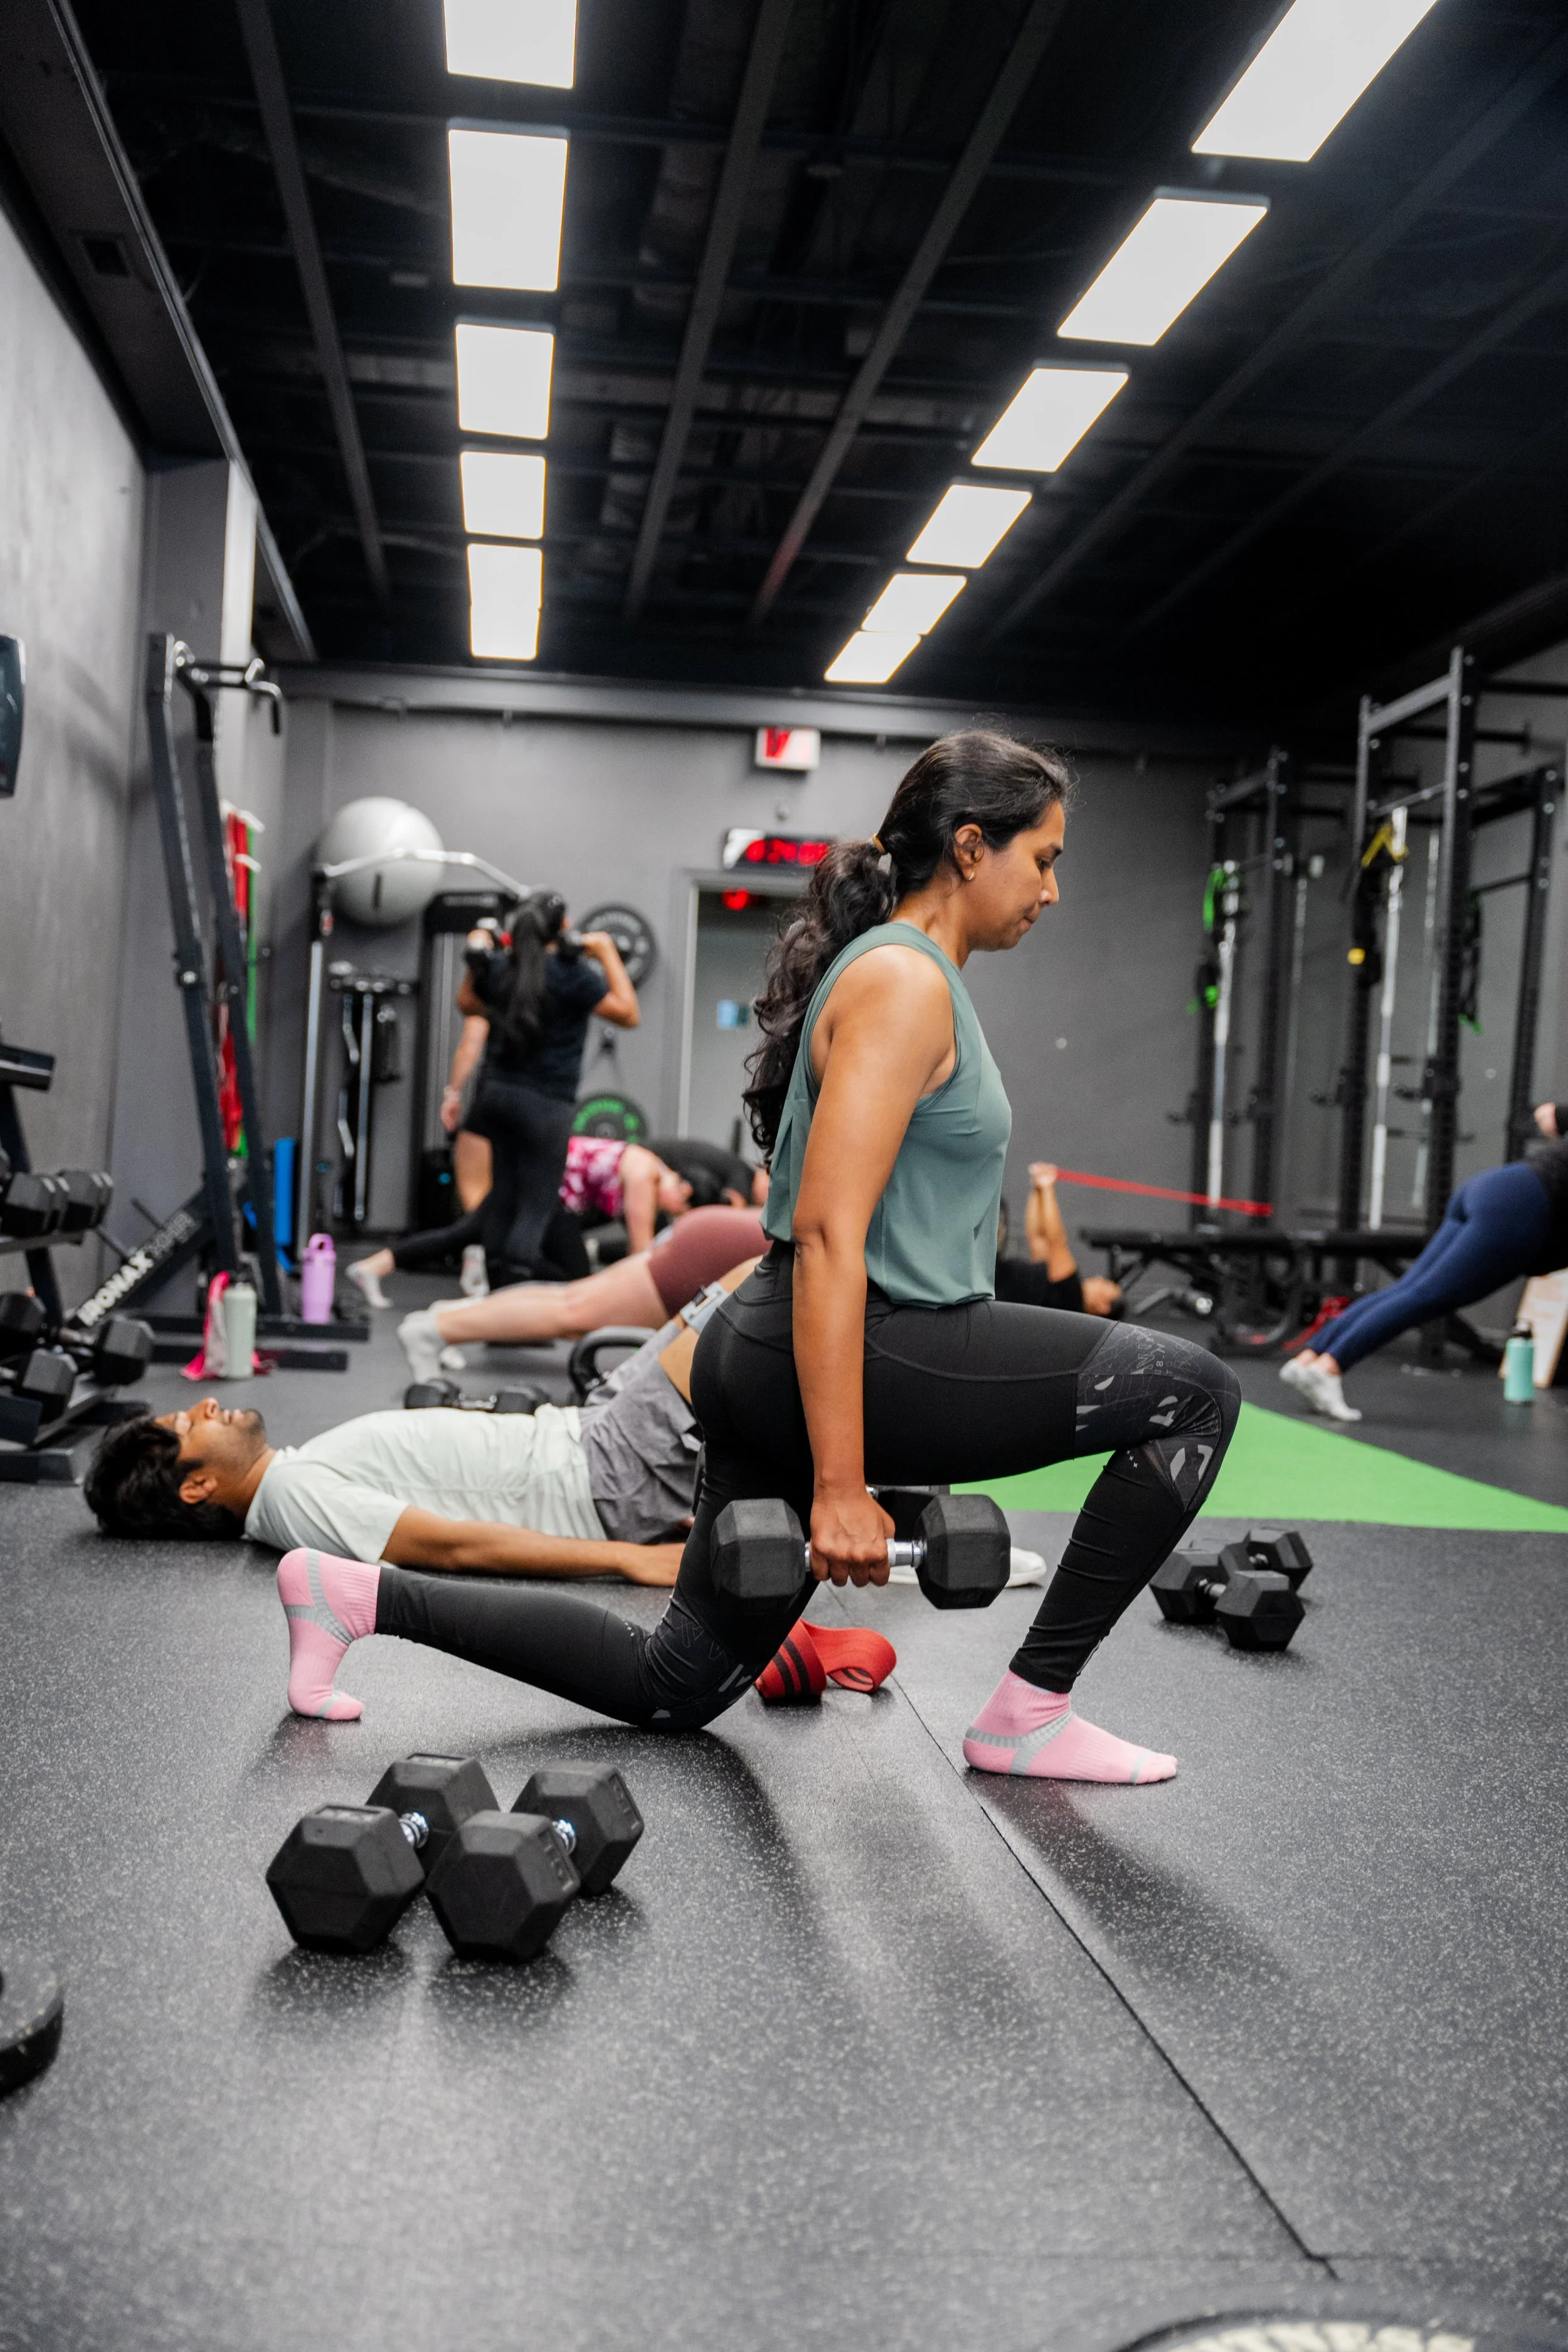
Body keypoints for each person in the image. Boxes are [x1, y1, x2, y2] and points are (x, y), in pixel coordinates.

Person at [268, 732, 1239, 1783]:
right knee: (1193, 1392)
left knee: (673, 1681)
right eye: (1043, 857)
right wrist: (838, 1484)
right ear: (970, 848)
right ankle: (1029, 1713)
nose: (1052, 888)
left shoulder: (897, 976)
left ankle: (353, 1597)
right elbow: (827, 1232)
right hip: (863, 1341)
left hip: (774, 1351)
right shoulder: (903, 984)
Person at [85, 1269, 760, 1581]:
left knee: (738, 1278)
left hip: (583, 1434)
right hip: (597, 1477)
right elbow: (449, 1548)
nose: (205, 1406)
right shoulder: (289, 1499)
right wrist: (629, 1558)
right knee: (763, 1287)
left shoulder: (291, 1477)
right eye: (188, 1426)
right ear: (197, 1487)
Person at [1281, 1101, 1568, 1421]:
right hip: (1522, 1208)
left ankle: (1309, 1359)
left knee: (1410, 1289)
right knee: (1425, 1297)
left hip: (1497, 1186)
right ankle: (1330, 1367)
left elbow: (1547, 1115)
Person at [462, 896, 638, 1285]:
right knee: (535, 1208)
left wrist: (478, 958)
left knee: (504, 1198)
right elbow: (628, 1012)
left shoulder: (499, 967)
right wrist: (607, 952)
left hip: (495, 1096)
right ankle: (515, 1309)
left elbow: (467, 1003)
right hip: (544, 1104)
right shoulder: (571, 973)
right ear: (563, 928)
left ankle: (495, 1307)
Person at [397, 1201, 769, 1382]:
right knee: (575, 1315)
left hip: (721, 1232)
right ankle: (433, 1332)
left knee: (570, 1299)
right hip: (723, 1246)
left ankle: (446, 1318)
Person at [351, 1133, 705, 1314]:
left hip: (539, 1182)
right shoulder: (646, 1175)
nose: (672, 1212)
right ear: (683, 1189)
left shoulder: (648, 1164)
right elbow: (639, 1251)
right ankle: (492, 1282)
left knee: (466, 1231)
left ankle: (374, 1266)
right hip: (544, 1189)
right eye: (680, 1209)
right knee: (578, 1280)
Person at [993, 1160, 1124, 1316]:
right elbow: (1038, 1240)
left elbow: (1056, 1241)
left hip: (995, 1278)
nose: (1099, 1278)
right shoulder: (1059, 1296)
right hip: (994, 1280)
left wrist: (1047, 1186)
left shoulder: (1073, 1298)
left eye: (1105, 1285)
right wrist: (1038, 1191)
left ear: (1103, 1307)